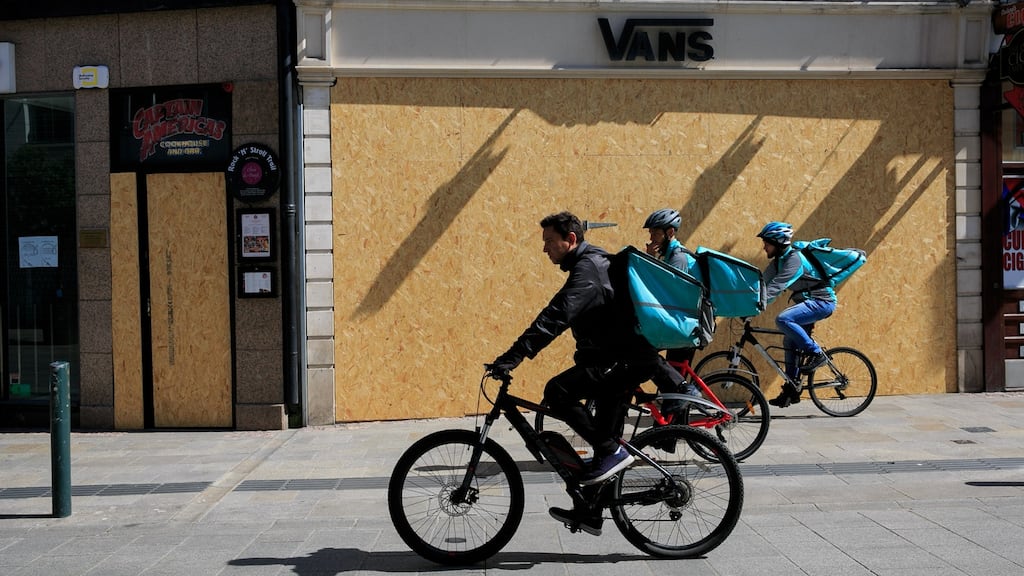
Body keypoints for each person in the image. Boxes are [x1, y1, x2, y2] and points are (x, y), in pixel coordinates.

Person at [489, 211, 688, 536]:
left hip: (623, 361)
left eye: (550, 242)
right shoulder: (588, 265)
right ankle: (590, 512)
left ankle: (612, 451)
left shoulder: (589, 270)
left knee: (558, 392)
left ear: (570, 240)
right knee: (600, 451)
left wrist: (513, 356)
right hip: (618, 361)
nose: (545, 249)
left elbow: (556, 315)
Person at [757, 221, 837, 408]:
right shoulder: (778, 261)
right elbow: (761, 283)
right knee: (789, 341)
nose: (764, 247)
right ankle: (791, 389)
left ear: (777, 242)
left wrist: (759, 304)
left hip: (822, 302)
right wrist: (743, 302)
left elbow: (777, 286)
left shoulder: (794, 259)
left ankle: (817, 354)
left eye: (766, 243)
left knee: (784, 319)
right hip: (808, 304)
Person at [642, 208, 702, 410]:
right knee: (669, 382)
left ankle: (672, 432)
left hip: (685, 326)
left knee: (675, 387)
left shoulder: (679, 258)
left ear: (669, 233)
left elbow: (668, 293)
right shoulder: (668, 255)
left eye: (655, 233)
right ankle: (666, 432)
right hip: (678, 322)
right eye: (650, 233)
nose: (651, 237)